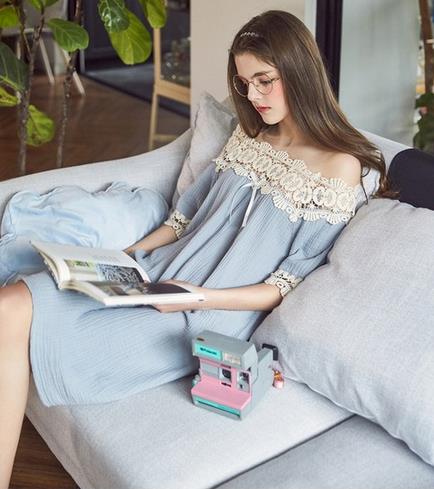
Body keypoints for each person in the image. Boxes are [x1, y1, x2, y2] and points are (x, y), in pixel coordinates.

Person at [0, 10, 393, 487]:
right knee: (11, 301)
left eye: (264, 81)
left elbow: (284, 285)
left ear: (299, 72)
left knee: (16, 320)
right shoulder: (251, 135)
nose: (253, 96)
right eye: (245, 83)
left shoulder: (339, 167)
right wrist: (124, 256)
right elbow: (182, 219)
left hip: (203, 313)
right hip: (155, 274)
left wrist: (197, 297)